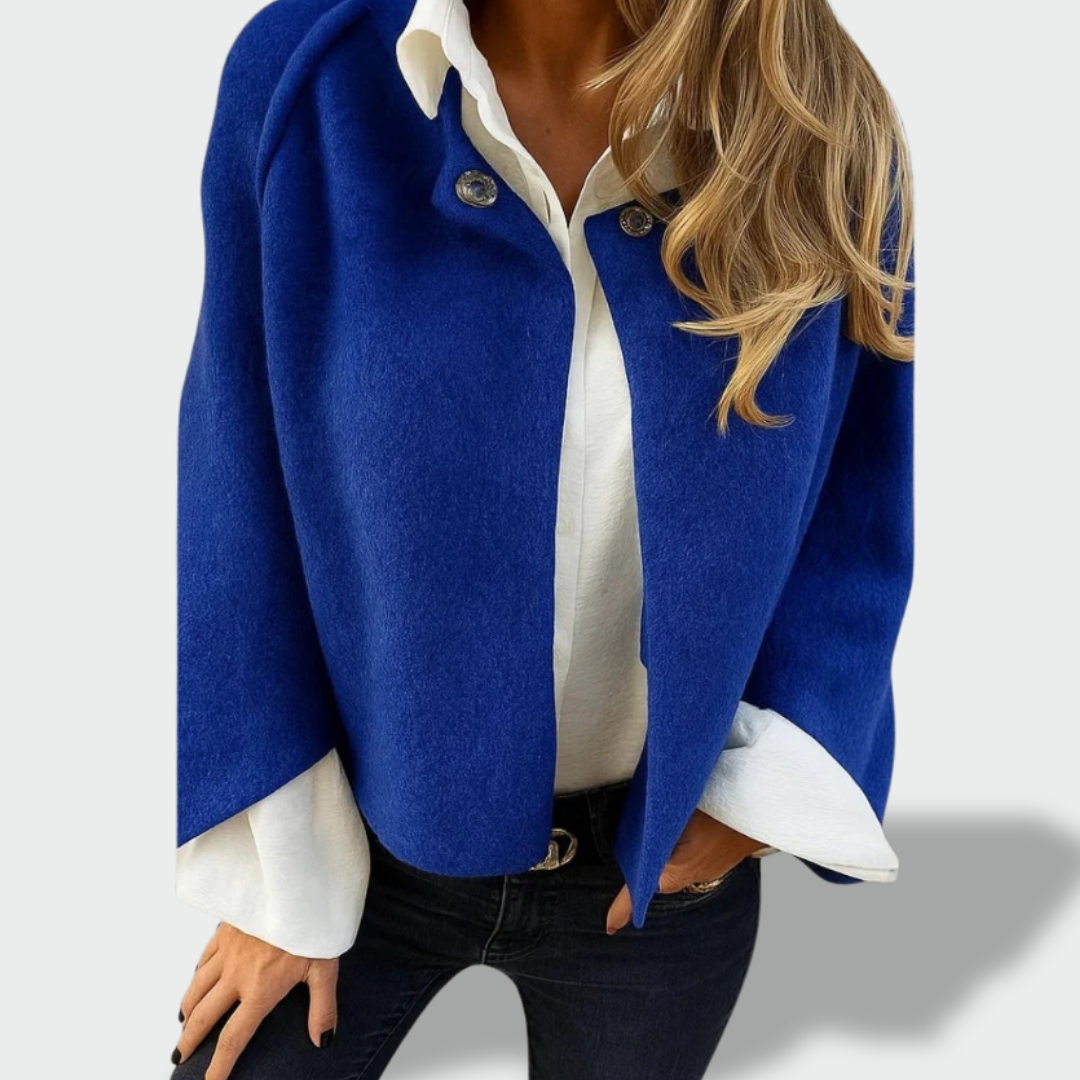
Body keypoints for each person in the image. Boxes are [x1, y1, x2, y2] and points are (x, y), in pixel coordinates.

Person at [171, 0, 915, 1077]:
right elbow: (234, 487)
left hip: (652, 877)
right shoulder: (308, 78)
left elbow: (859, 500)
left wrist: (756, 798)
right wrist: (280, 882)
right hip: (356, 838)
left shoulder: (814, 119)